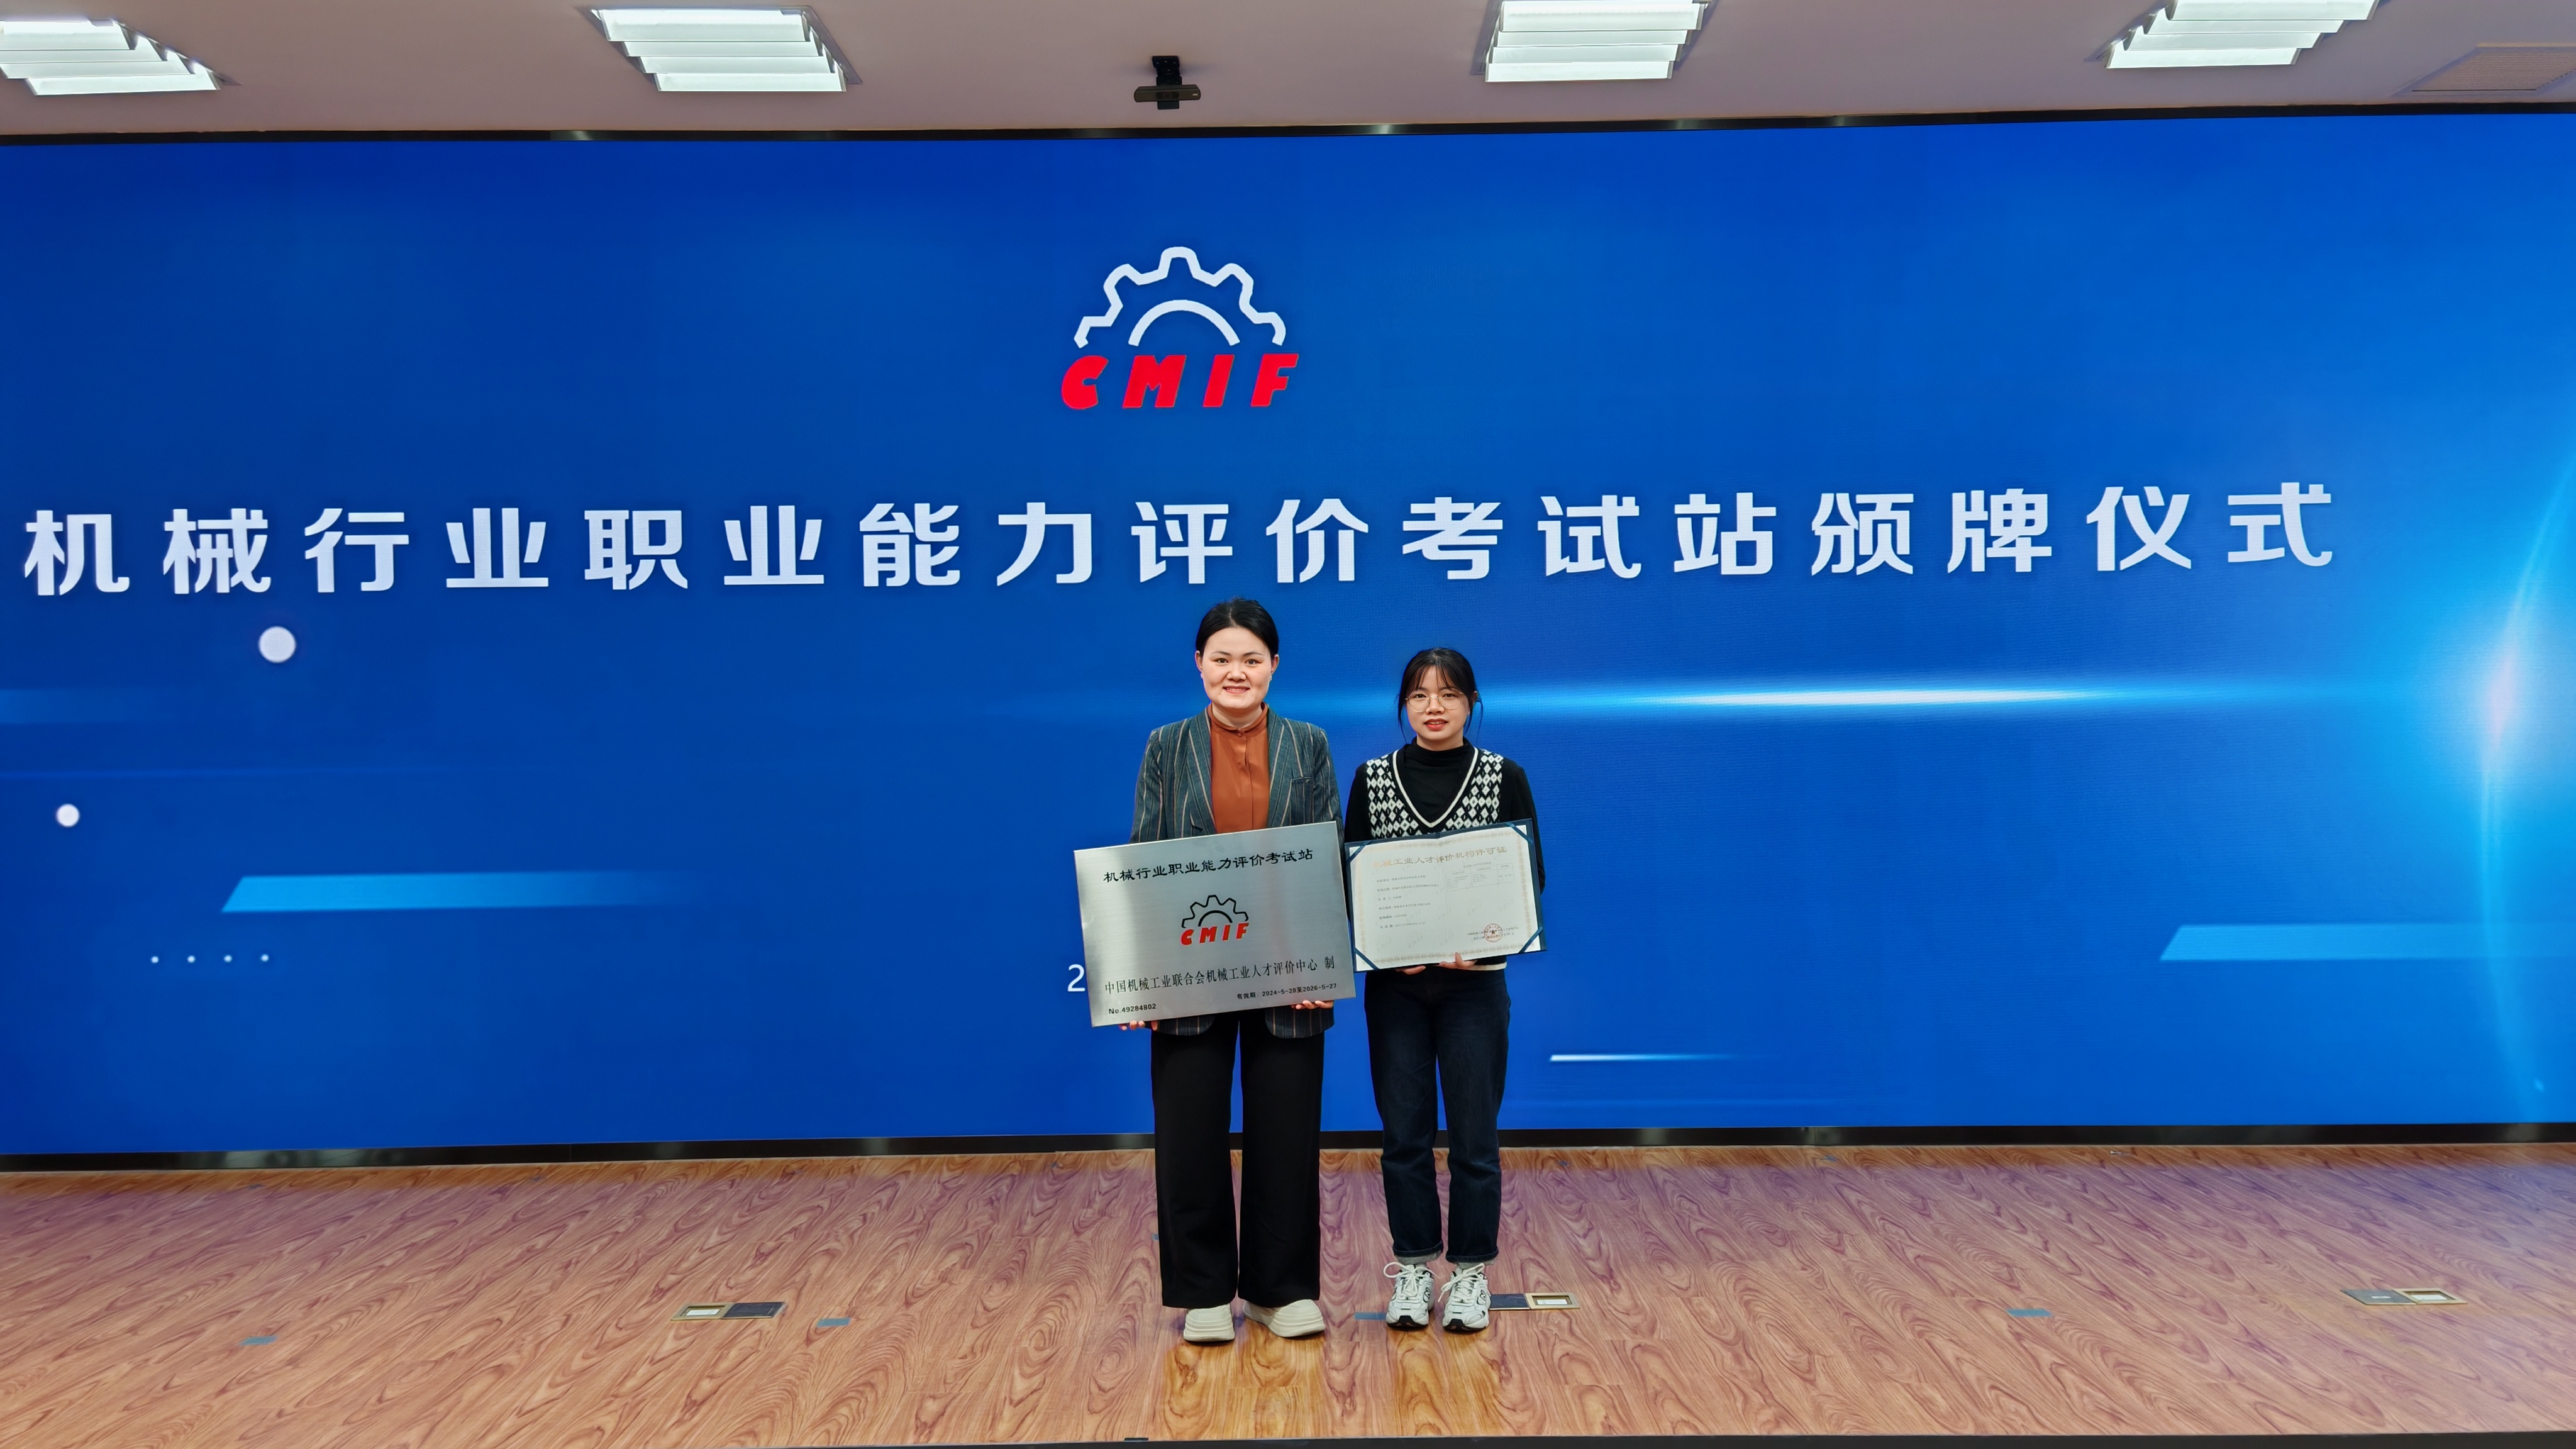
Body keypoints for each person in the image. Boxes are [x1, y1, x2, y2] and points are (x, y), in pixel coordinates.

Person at [1126, 597, 1341, 1345]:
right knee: (1189, 1131)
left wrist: (1323, 961)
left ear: (1273, 666)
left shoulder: (1308, 744)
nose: (1236, 672)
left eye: (1251, 659)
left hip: (1290, 973)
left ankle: (1281, 1291)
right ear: (1199, 665)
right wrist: (1140, 975)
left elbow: (1327, 852)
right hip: (1190, 971)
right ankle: (1205, 1292)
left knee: (1287, 1132)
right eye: (1221, 659)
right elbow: (1145, 856)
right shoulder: (1166, 745)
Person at [1345, 647, 1541, 1333]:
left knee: (1473, 1137)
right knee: (1403, 1135)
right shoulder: (1372, 778)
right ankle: (1412, 1268)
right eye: (1420, 695)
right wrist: (1382, 942)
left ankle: (1470, 1273)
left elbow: (1528, 878)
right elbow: (1353, 878)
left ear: (1471, 703)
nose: (1434, 707)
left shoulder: (1504, 776)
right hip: (1396, 990)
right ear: (1403, 705)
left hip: (1473, 989)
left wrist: (1483, 942)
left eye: (1449, 694)